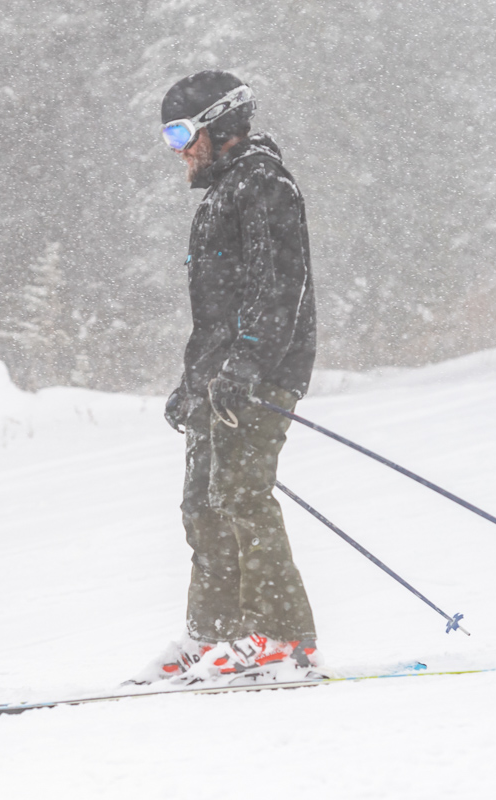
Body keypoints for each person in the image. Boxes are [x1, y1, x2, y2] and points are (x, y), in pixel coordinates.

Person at [140, 69, 320, 684]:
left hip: (258, 375)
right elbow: (218, 307)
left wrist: (247, 363)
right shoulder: (222, 194)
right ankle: (214, 636)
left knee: (242, 496)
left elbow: (278, 287)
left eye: (182, 133)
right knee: (203, 507)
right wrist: (195, 381)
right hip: (217, 382)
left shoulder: (264, 185)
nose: (178, 149)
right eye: (170, 136)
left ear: (220, 125)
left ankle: (281, 638)